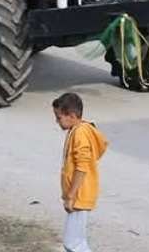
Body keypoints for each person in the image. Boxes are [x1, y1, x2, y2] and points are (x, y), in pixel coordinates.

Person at [53, 92, 108, 252]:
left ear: (71, 115)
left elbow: (81, 167)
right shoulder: (78, 130)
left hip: (79, 195)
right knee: (76, 241)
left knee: (73, 243)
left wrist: (71, 196)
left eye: (59, 117)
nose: (57, 121)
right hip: (79, 194)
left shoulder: (80, 134)